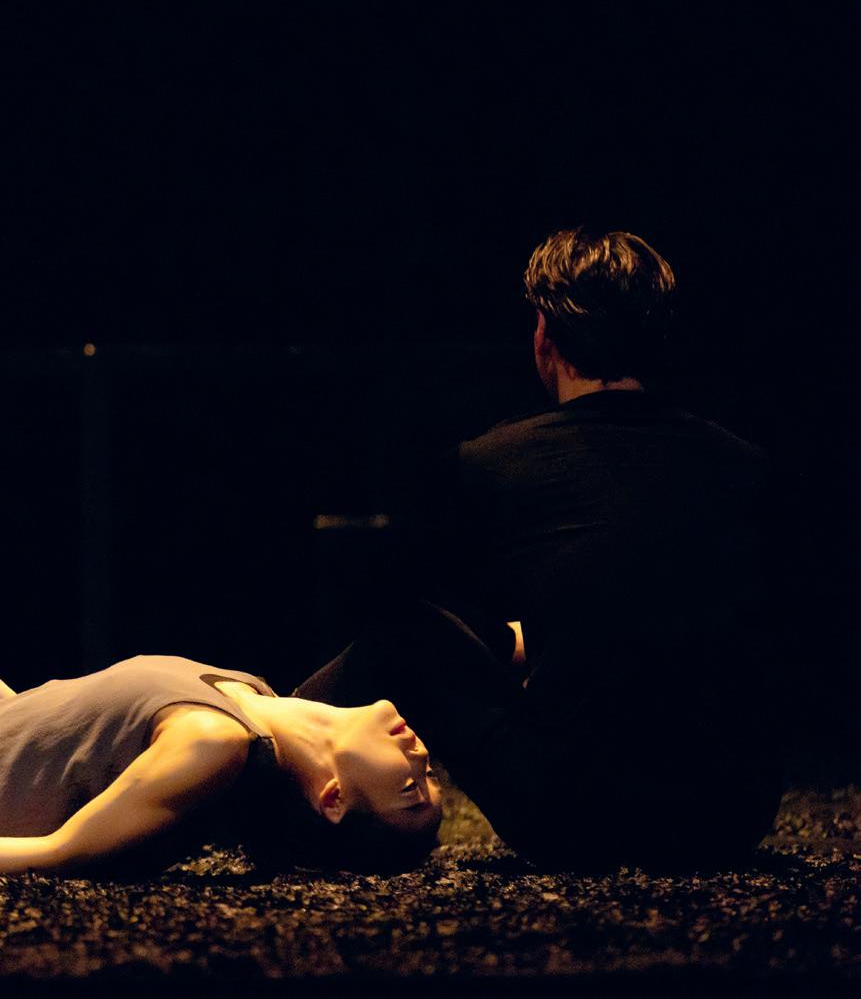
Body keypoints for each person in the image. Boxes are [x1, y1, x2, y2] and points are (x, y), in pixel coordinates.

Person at [293, 227, 785, 872]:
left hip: (579, 819)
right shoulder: (744, 466)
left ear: (545, 336)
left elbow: (417, 619)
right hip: (733, 815)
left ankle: (257, 753)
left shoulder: (495, 463)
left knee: (402, 636)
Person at [0, 654, 441, 876]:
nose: (421, 757)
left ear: (334, 799)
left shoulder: (215, 744)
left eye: (410, 788)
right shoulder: (254, 694)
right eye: (430, 776)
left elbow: (59, 851)